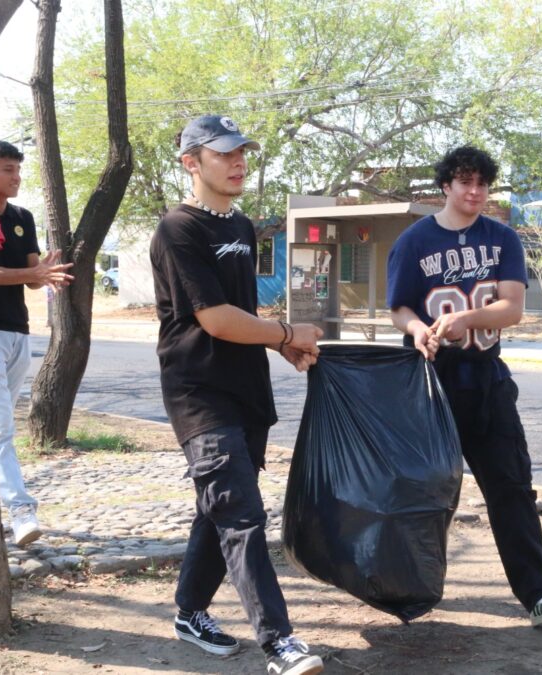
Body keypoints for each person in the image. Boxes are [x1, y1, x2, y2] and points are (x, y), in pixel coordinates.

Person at [150, 114, 324, 675]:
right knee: (243, 515)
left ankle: (189, 612)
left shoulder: (242, 227)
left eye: (241, 152)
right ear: (192, 162)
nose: (237, 161)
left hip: (247, 388)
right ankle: (279, 643)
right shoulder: (179, 229)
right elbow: (215, 319)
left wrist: (278, 347)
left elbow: (243, 314)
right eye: (224, 154)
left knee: (219, 508)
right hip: (198, 392)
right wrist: (287, 332)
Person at [387, 145, 542, 627]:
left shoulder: (502, 238)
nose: (475, 192)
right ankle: (407, 588)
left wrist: (465, 319)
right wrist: (416, 331)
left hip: (487, 380)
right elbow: (401, 308)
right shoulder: (414, 242)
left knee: (511, 487)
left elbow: (512, 307)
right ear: (446, 185)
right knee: (423, 493)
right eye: (465, 182)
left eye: (482, 184)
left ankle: (539, 595)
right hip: (432, 384)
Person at [0, 140, 74, 547]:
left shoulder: (21, 217)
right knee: (1, 427)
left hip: (17, 331)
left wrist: (45, 273)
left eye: (18, 169)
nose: (17, 177)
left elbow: (32, 276)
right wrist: (29, 275)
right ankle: (20, 510)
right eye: (8, 169)